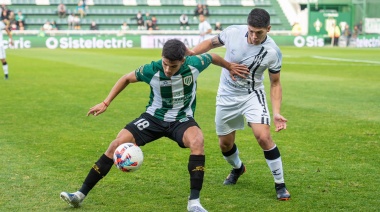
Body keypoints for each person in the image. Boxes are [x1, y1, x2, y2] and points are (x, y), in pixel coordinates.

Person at [59, 39, 248, 211]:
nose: (167, 69)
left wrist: (229, 66)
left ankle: (194, 203)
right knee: (116, 144)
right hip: (152, 118)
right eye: (165, 63)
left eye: (172, 66)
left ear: (183, 60)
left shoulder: (194, 64)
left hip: (181, 119)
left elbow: (213, 56)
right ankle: (79, 195)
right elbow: (126, 78)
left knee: (197, 141)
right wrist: (106, 102)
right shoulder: (151, 69)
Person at [187, 8, 291, 201]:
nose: (253, 36)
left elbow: (275, 83)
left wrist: (276, 112)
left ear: (268, 29)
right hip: (226, 95)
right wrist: (192, 53)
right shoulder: (233, 32)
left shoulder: (272, 52)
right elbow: (210, 43)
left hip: (252, 94)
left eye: (259, 32)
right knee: (225, 145)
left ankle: (280, 185)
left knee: (263, 137)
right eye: (251, 31)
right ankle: (238, 168)